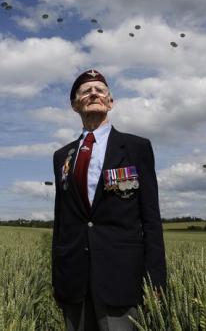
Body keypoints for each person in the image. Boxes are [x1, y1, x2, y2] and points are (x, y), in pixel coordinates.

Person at [52, 69, 166, 331]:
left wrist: (155, 279)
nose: (93, 93)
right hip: (74, 281)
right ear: (74, 105)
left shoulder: (136, 147)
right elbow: (62, 221)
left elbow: (150, 217)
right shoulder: (62, 157)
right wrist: (58, 279)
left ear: (110, 102)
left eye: (100, 90)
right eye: (86, 90)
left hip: (122, 279)